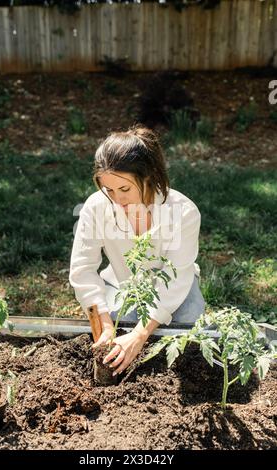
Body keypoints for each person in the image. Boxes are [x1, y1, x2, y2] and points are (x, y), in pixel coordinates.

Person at [69, 124, 205, 377]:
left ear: (148, 176)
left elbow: (176, 276)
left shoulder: (183, 212)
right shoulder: (96, 207)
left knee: (189, 336)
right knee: (120, 331)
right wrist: (105, 322)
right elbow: (83, 269)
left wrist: (141, 334)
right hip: (125, 285)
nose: (117, 199)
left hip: (178, 288)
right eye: (108, 189)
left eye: (124, 189)